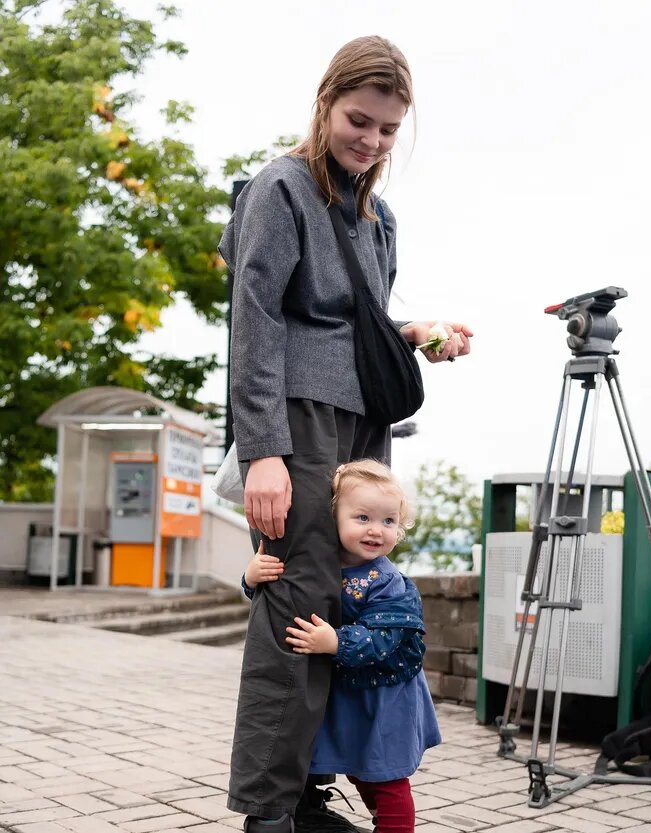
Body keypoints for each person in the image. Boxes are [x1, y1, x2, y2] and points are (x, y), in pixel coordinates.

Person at [218, 34, 473, 833]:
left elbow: (350, 326)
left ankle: (307, 789)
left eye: (388, 129)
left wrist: (415, 332)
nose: (371, 140)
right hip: (297, 421)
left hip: (364, 422)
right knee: (294, 607)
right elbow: (255, 319)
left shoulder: (377, 216)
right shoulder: (280, 187)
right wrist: (263, 448)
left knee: (341, 607)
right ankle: (270, 810)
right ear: (326, 103)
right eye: (358, 120)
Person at [243, 460, 441, 833]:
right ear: (332, 516)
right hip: (350, 697)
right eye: (362, 517)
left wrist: (337, 641)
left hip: (384, 699)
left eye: (388, 521)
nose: (376, 531)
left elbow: (389, 637)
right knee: (357, 771)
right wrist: (251, 579)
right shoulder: (318, 562)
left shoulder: (388, 581)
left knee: (384, 778)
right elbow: (276, 598)